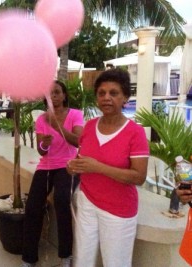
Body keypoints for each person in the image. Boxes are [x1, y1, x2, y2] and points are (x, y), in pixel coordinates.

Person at [67, 68, 149, 267]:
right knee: (82, 259)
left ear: (125, 98)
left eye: (114, 93)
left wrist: (98, 167)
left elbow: (139, 177)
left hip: (117, 209)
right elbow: (82, 158)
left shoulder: (135, 133)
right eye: (101, 93)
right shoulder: (89, 126)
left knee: (115, 263)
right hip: (87, 201)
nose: (106, 98)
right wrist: (74, 166)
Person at [21, 80, 84, 267]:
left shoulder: (75, 115)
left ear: (64, 95)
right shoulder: (41, 119)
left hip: (69, 165)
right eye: (50, 94)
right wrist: (44, 144)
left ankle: (66, 255)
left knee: (62, 199)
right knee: (32, 206)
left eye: (57, 92)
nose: (53, 96)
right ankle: (29, 258)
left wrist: (59, 128)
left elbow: (78, 141)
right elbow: (41, 151)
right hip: (46, 166)